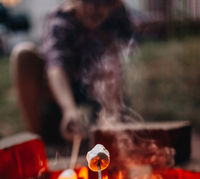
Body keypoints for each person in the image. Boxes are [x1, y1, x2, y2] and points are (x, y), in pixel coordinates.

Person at [11, 0, 134, 143]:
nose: (95, 9)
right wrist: (68, 109)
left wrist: (113, 112)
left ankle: (109, 129)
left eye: (103, 3)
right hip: (62, 90)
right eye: (88, 2)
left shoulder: (117, 16)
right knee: (23, 55)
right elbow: (55, 67)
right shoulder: (60, 20)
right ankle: (38, 139)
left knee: (110, 62)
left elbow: (121, 56)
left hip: (100, 90)